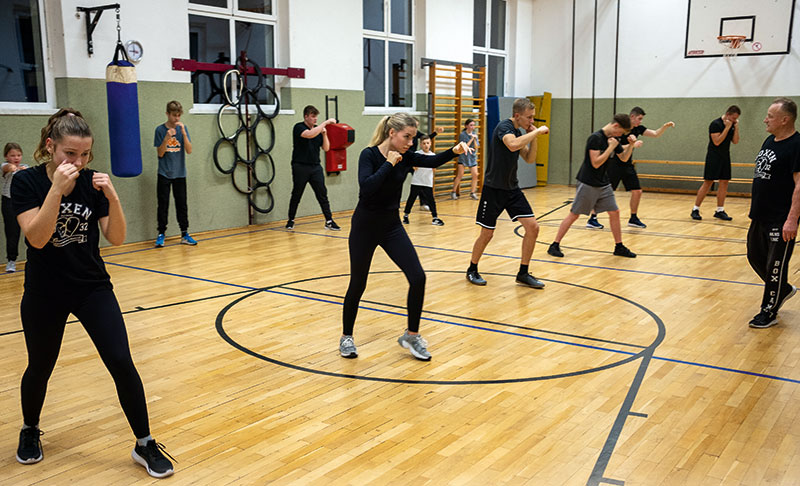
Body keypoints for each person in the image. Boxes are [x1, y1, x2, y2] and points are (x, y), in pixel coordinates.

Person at [11, 109, 174, 477]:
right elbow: (36, 239)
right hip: (45, 292)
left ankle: (145, 443)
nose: (78, 162)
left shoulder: (92, 183)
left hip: (91, 287)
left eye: (85, 155)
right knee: (40, 367)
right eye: (70, 154)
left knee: (121, 360)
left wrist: (113, 198)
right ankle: (30, 429)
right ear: (50, 147)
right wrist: (57, 190)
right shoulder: (27, 183)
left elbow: (116, 237)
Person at [340, 113, 471, 361]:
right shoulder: (369, 155)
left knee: (418, 277)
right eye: (406, 137)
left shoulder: (407, 155)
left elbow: (431, 162)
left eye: (412, 137)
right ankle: (347, 336)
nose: (410, 143)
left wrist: (454, 151)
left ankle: (411, 335)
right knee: (358, 285)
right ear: (392, 133)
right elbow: (366, 189)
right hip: (364, 227)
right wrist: (389, 163)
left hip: (391, 226)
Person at [466, 98, 549, 288]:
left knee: (533, 228)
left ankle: (523, 272)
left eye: (533, 117)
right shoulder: (504, 127)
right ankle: (472, 269)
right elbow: (512, 145)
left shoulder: (520, 132)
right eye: (529, 117)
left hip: (512, 189)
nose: (531, 120)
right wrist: (536, 131)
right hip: (493, 189)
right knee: (487, 234)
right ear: (517, 115)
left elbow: (529, 158)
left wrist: (533, 136)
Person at [547, 114, 638, 259]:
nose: (620, 136)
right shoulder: (595, 138)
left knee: (615, 212)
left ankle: (619, 246)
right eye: (620, 132)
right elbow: (596, 163)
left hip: (603, 183)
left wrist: (631, 145)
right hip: (588, 183)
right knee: (574, 214)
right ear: (615, 126)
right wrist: (610, 148)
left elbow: (624, 158)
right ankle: (555, 244)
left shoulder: (614, 139)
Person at [746, 98, 800, 328]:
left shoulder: (797, 145)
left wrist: (792, 219)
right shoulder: (770, 140)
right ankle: (783, 290)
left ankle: (768, 311)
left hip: (780, 218)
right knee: (754, 256)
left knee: (775, 266)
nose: (765, 119)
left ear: (785, 119)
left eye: (770, 115)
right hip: (760, 214)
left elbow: (799, 184)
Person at [586, 107, 674, 229]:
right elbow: (617, 147)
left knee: (637, 191)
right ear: (632, 116)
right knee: (606, 192)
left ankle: (633, 218)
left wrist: (665, 126)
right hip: (614, 165)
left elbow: (655, 134)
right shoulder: (619, 129)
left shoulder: (638, 129)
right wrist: (632, 144)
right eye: (639, 119)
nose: (640, 122)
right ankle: (592, 218)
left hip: (627, 164)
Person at [285, 105, 340, 231]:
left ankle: (329, 221)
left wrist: (325, 134)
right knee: (297, 193)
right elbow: (309, 135)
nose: (315, 119)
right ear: (306, 117)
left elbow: (326, 148)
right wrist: (325, 123)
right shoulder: (299, 127)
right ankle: (291, 220)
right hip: (300, 166)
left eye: (316, 117)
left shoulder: (318, 130)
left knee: (322, 194)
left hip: (315, 167)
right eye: (313, 116)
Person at [154, 100, 196, 247]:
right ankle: (161, 234)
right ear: (167, 114)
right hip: (164, 173)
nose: (176, 119)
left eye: (178, 115)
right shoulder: (160, 130)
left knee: (182, 205)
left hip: (180, 173)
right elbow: (160, 153)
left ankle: (184, 233)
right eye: (174, 115)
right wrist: (166, 137)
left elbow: (189, 150)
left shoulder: (183, 129)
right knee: (163, 204)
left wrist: (183, 133)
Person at [691, 105, 741, 221]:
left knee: (724, 182)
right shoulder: (715, 124)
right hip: (713, 157)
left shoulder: (733, 125)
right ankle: (695, 209)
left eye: (736, 119)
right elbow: (717, 142)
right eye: (733, 118)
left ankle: (720, 210)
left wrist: (736, 127)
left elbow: (735, 141)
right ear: (728, 114)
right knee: (708, 182)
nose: (734, 120)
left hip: (725, 157)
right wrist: (727, 128)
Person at [403, 135, 444, 226]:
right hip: (417, 181)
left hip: (427, 182)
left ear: (430, 144)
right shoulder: (417, 154)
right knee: (412, 198)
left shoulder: (433, 156)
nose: (426, 145)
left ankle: (435, 218)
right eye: (424, 143)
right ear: (421, 144)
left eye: (428, 143)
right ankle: (406, 216)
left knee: (431, 200)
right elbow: (411, 165)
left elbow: (434, 168)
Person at [2, 142, 28, 272]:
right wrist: (13, 167)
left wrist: (24, 171)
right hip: (9, 201)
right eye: (12, 155)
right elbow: (8, 168)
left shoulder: (25, 167)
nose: (16, 158)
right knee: (12, 231)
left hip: (23, 201)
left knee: (30, 228)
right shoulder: (4, 166)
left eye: (18, 155)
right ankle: (11, 260)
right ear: (6, 156)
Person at [452, 119, 480, 200]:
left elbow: (476, 147)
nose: (472, 127)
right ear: (466, 126)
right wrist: (471, 138)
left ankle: (472, 192)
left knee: (475, 175)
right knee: (460, 174)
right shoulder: (463, 135)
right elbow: (465, 146)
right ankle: (453, 191)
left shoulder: (475, 134)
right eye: (471, 125)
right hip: (463, 156)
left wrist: (474, 139)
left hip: (472, 157)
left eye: (473, 125)